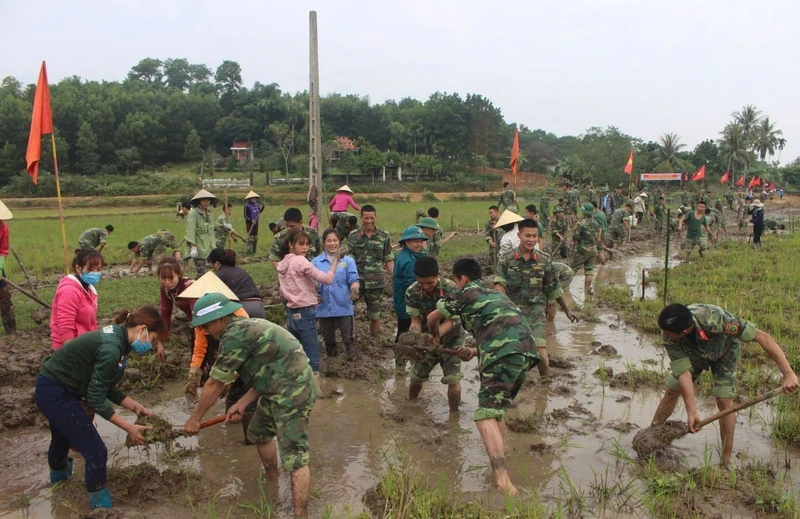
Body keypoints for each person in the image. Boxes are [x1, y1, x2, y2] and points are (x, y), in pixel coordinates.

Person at [183, 293, 320, 516]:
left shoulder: (235, 335)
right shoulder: (244, 328)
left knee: (295, 456)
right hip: (276, 385)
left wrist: (195, 417)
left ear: (221, 319)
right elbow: (267, 369)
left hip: (293, 390)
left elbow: (215, 383)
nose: (205, 331)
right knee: (258, 432)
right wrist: (242, 402)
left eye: (206, 325)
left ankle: (300, 513)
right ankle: (272, 480)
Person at [426, 258, 539, 495]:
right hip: (527, 351)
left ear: (462, 279)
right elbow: (501, 329)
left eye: (456, 282)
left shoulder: (464, 294)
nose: (456, 286)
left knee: (483, 415)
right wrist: (476, 350)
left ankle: (501, 479)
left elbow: (431, 318)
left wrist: (434, 338)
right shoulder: (497, 295)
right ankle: (498, 464)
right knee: (496, 410)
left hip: (503, 352)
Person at [35, 306, 165, 510]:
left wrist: (136, 407)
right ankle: (101, 508)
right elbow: (95, 397)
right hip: (55, 392)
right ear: (142, 329)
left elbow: (104, 386)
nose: (151, 345)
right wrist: (128, 427)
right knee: (96, 452)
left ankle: (58, 487)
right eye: (154, 340)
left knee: (61, 439)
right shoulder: (112, 348)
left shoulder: (118, 340)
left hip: (55, 387)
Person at [652, 303, 799, 467]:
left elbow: (762, 337)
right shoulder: (668, 334)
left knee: (724, 399)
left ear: (683, 331)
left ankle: (725, 461)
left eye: (668, 333)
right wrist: (692, 412)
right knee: (673, 389)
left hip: (725, 351)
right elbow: (684, 374)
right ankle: (651, 436)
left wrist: (788, 374)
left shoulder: (715, 318)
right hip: (693, 353)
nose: (664, 335)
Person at [494, 219, 578, 378]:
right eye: (528, 236)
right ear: (519, 235)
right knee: (508, 351)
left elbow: (553, 287)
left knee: (540, 351)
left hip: (535, 311)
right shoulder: (506, 259)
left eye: (534, 236)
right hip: (512, 311)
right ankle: (509, 385)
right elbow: (499, 284)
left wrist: (567, 310)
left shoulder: (544, 260)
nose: (531, 240)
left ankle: (545, 384)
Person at [405, 256, 464, 412]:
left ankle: (454, 415)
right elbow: (415, 320)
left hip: (452, 338)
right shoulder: (412, 292)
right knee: (416, 376)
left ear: (438, 275)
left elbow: (451, 321)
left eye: (429, 283)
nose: (426, 287)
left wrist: (437, 336)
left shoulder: (452, 289)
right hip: (426, 339)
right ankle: (410, 406)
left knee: (453, 379)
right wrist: (415, 335)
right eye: (421, 283)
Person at [277, 230, 340, 375]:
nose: (305, 248)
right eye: (301, 244)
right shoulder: (300, 261)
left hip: (292, 314)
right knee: (313, 360)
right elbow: (327, 279)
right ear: (291, 245)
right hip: (305, 312)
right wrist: (336, 259)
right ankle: (315, 394)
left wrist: (310, 292)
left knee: (295, 352)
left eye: (307, 244)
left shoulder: (282, 264)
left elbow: (284, 291)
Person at [347, 205, 394, 337]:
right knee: (346, 308)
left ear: (376, 218)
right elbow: (350, 259)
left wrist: (395, 278)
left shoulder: (384, 236)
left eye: (371, 218)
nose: (369, 221)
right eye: (366, 218)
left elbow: (388, 259)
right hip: (357, 282)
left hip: (376, 283)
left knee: (375, 314)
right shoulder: (353, 236)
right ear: (361, 218)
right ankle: (347, 337)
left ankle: (374, 340)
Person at [313, 229, 360, 360]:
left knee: (348, 338)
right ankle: (333, 364)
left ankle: (353, 363)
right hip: (324, 307)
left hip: (343, 304)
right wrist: (313, 290)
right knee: (328, 339)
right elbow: (313, 281)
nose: (332, 244)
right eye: (329, 241)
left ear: (339, 242)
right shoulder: (316, 262)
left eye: (335, 240)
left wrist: (354, 289)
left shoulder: (348, 261)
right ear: (323, 243)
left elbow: (353, 279)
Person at [392, 226, 429, 374]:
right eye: (415, 241)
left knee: (403, 332)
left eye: (420, 241)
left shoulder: (412, 255)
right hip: (408, 305)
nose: (418, 244)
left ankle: (401, 367)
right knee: (406, 335)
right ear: (406, 242)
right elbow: (412, 287)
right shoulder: (408, 261)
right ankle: (402, 367)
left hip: (404, 305)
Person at [50, 248, 103, 350]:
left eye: (99, 269)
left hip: (86, 345)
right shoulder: (69, 291)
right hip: (70, 349)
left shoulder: (90, 290)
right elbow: (65, 327)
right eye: (91, 269)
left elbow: (91, 323)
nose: (96, 273)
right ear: (78, 269)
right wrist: (72, 353)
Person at [207, 248, 265, 319]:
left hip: (241, 309)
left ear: (216, 263)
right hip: (258, 307)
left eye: (212, 265)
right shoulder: (241, 271)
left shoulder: (220, 275)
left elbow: (215, 299)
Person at [570, 203, 602, 296]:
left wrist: (574, 240)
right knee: (589, 270)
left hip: (582, 250)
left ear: (584, 212)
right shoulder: (595, 223)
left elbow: (575, 235)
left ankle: (564, 288)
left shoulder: (581, 223)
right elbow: (596, 235)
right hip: (593, 250)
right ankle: (587, 290)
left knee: (573, 269)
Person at [185, 189, 217, 278]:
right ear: (199, 201)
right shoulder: (193, 214)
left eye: (208, 200)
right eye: (204, 200)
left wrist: (223, 225)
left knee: (214, 269)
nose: (206, 202)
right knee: (201, 271)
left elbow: (213, 227)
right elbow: (190, 230)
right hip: (200, 247)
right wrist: (193, 247)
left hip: (210, 245)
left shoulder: (209, 214)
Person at [0, 200, 14, 334]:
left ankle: (11, 330)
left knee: (4, 296)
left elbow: (3, 249)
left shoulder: (3, 227)